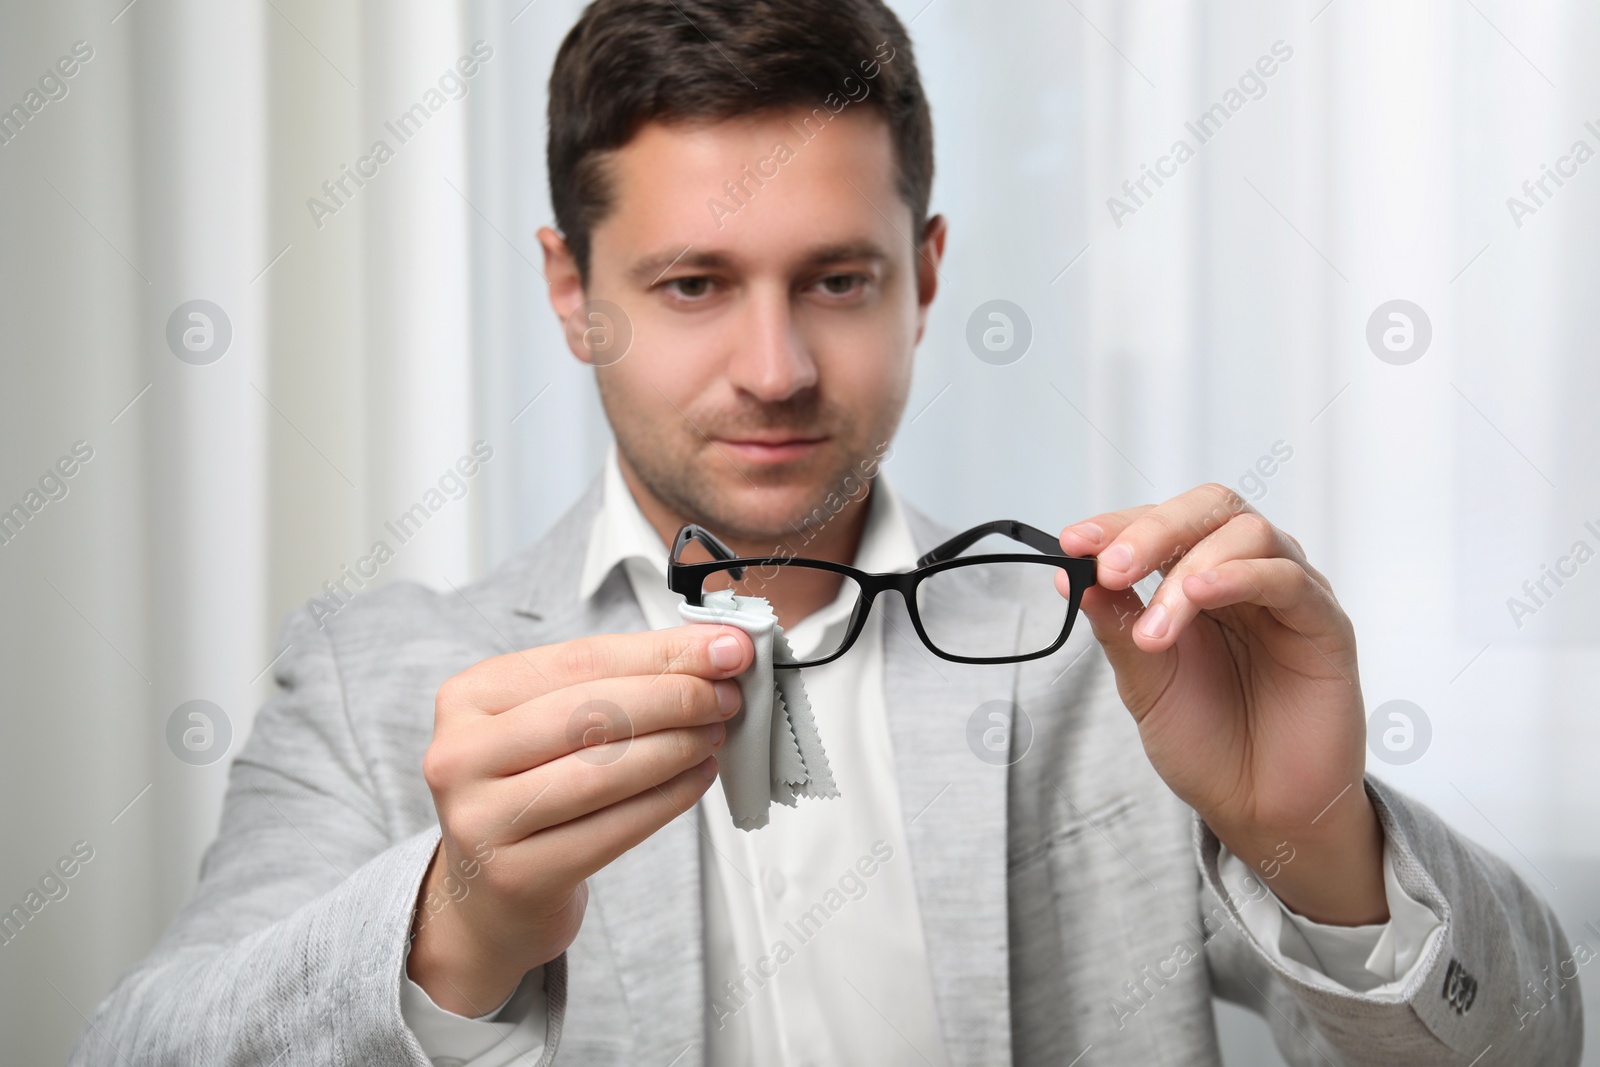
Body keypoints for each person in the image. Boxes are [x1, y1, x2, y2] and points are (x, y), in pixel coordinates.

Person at [72, 0, 1583, 1064]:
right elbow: (140, 1050)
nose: (778, 366)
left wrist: (1318, 840)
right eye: (691, 284)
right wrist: (453, 928)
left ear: (926, 275)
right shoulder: (370, 675)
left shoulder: (1121, 664)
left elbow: (1521, 1046)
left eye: (838, 281)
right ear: (568, 289)